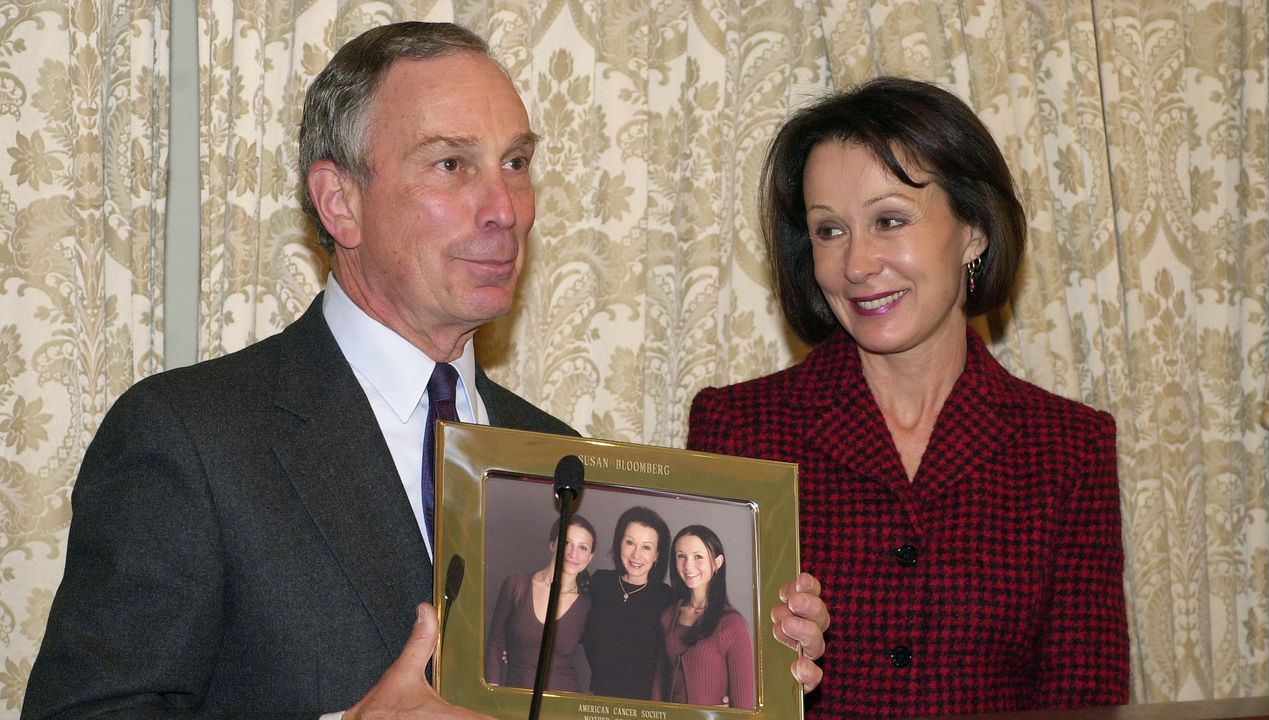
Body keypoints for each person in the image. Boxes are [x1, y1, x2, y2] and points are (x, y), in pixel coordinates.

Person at [23, 21, 827, 720]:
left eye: (516, 163)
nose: (505, 208)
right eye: (451, 165)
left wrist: (736, 651)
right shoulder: (192, 437)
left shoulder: (559, 458)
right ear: (340, 203)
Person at [686, 75, 1130, 718]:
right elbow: (694, 678)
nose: (857, 264)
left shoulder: (1069, 447)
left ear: (974, 230)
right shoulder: (739, 429)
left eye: (888, 220)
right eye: (828, 231)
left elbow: (1086, 700)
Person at [485, 516, 596, 691]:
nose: (573, 553)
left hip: (563, 706)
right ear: (552, 545)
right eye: (566, 543)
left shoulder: (587, 606)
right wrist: (493, 694)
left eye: (583, 548)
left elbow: (605, 656)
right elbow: (495, 645)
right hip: (515, 700)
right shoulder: (516, 585)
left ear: (590, 557)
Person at [653, 525, 754, 709]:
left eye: (698, 556)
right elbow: (658, 689)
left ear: (717, 562)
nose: (688, 565)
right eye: (681, 556)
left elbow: (744, 705)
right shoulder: (668, 617)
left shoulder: (732, 625)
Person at [582, 506, 675, 699]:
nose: (636, 555)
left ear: (657, 554)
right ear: (619, 543)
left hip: (647, 708)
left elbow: (688, 654)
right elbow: (570, 629)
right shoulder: (599, 583)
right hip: (598, 702)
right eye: (630, 543)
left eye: (647, 547)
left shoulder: (667, 598)